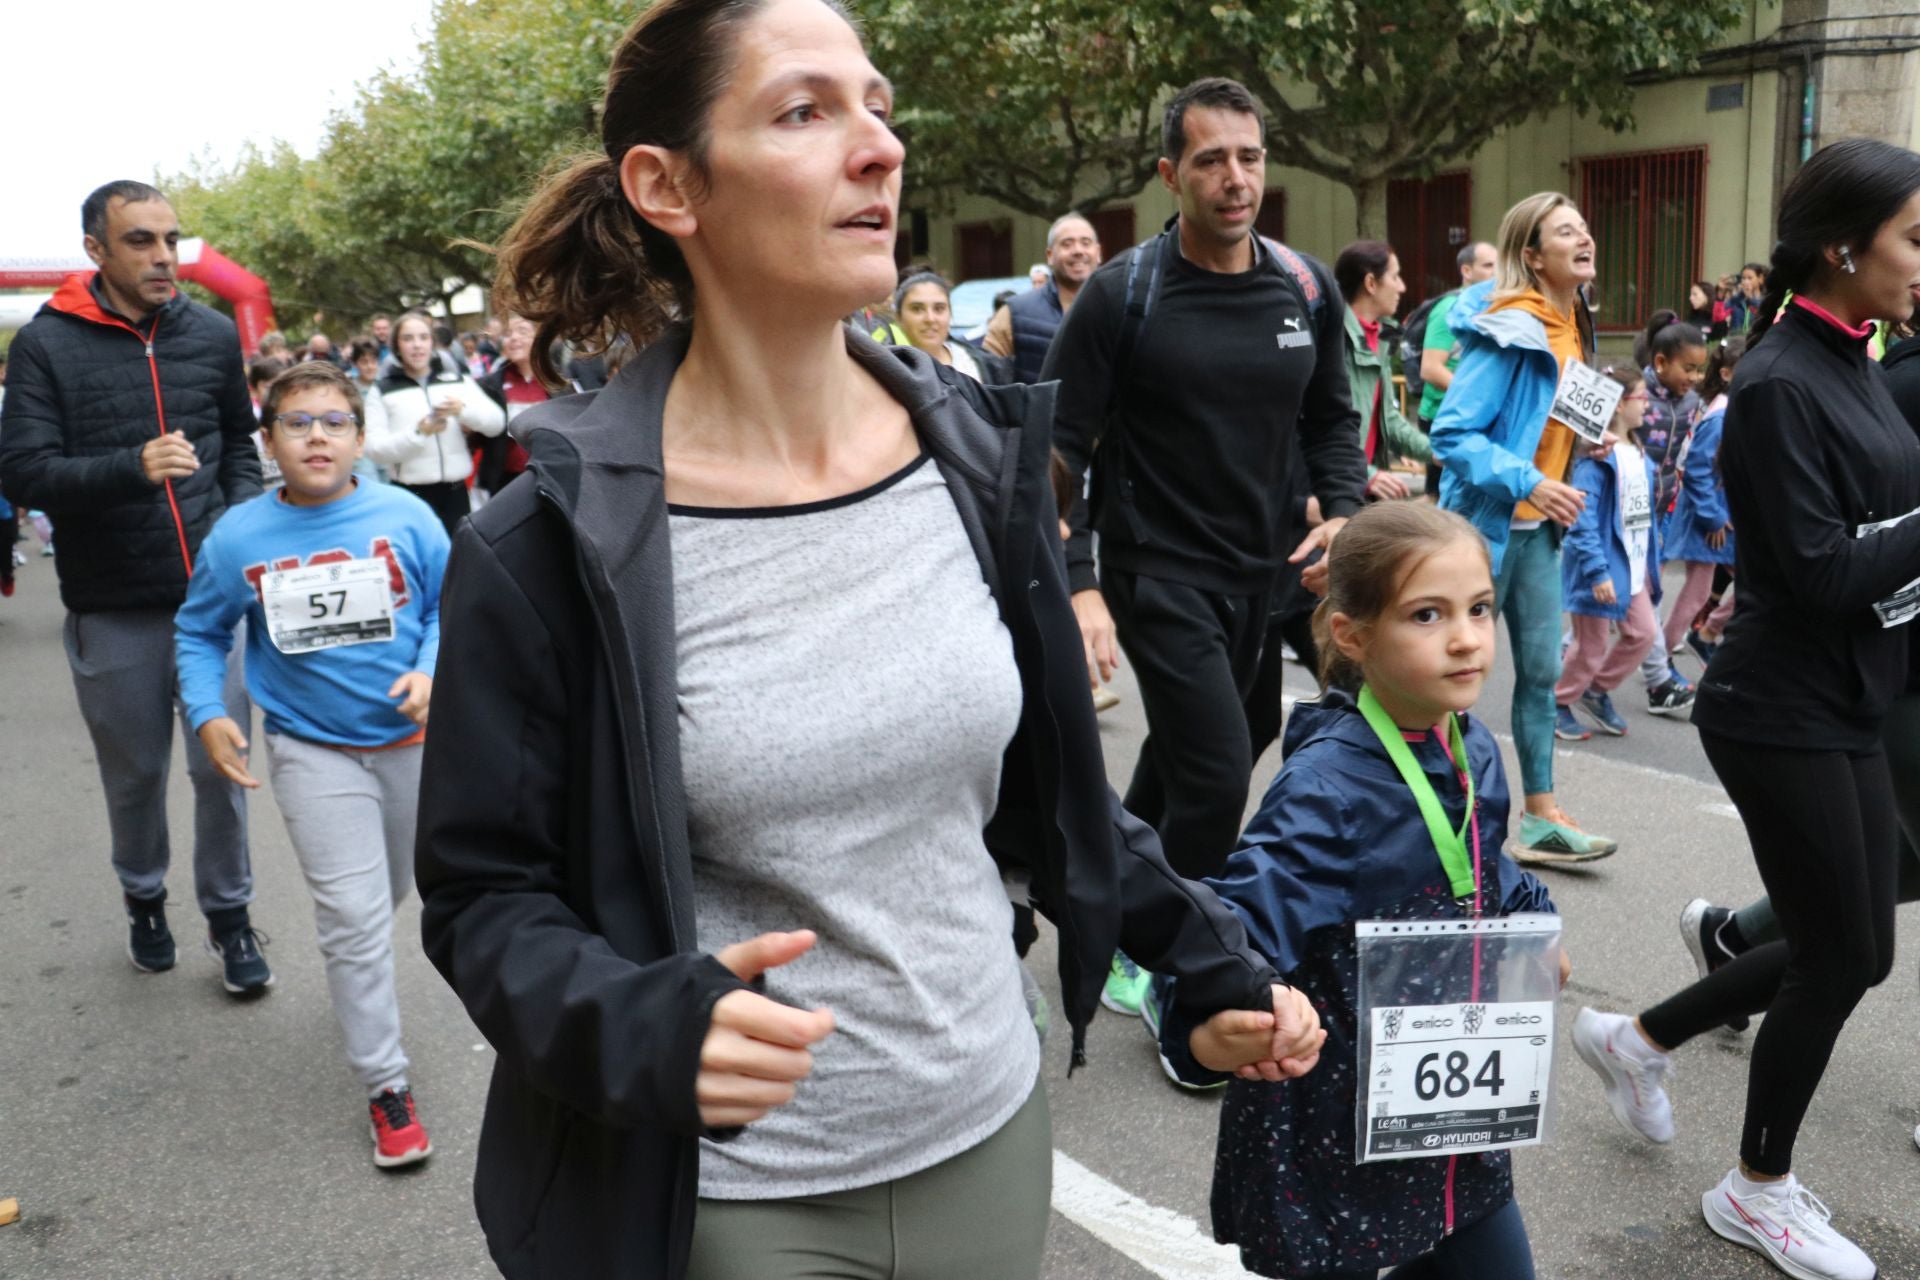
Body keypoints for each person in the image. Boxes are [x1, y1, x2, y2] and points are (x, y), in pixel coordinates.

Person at [412, 3, 1325, 1276]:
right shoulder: (546, 541)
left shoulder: (974, 455)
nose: (879, 147)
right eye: (804, 111)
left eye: (878, 105)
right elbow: (483, 895)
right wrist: (638, 1022)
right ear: (667, 185)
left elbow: (1045, 788)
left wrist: (1208, 959)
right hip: (732, 1192)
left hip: (987, 1136)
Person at [1570, 138, 1920, 1280]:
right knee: (1841, 950)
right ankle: (1755, 1186)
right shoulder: (1775, 381)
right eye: (1913, 237)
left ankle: (1638, 1035)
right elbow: (1819, 572)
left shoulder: (1858, 354)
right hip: (1779, 707)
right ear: (1843, 247)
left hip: (1851, 694)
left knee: (1849, 946)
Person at [1155, 500, 1561, 1279]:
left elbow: (1486, 864)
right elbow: (1232, 929)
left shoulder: (1469, 744)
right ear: (1353, 635)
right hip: (1337, 1131)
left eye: (1479, 608)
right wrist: (1207, 1034)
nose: (1468, 637)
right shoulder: (1326, 790)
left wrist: (1534, 929)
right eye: (1427, 614)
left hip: (1450, 1123)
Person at [1046, 75, 1367, 1016]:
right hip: (1157, 570)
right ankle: (1176, 963)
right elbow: (1059, 451)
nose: (1236, 178)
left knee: (1234, 737)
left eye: (1250, 157)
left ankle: (1102, 891)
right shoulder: (1122, 296)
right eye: (1211, 159)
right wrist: (1078, 580)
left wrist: (1342, 510)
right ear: (1169, 175)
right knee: (1221, 766)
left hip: (1265, 573)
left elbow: (1332, 422)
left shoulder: (1304, 286)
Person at [174, 361, 449, 1169]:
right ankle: (386, 1086)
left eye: (334, 421)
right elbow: (197, 632)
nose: (317, 436)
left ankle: (362, 989)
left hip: (414, 747)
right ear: (269, 442)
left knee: (388, 892)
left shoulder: (407, 517)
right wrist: (211, 711)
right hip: (310, 747)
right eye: (298, 423)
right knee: (354, 920)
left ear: (360, 438)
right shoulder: (239, 539)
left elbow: (450, 606)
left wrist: (433, 667)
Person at [0, 179, 269, 993]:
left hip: (212, 609)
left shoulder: (214, 334)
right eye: (141, 242)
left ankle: (231, 919)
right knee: (137, 774)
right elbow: (23, 471)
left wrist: (240, 528)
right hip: (112, 606)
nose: (163, 258)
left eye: (172, 240)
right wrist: (132, 467)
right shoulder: (45, 345)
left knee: (222, 769)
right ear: (96, 251)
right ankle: (144, 897)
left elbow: (239, 452)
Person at [1429, 192, 1619, 863]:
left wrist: (1581, 445)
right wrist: (1531, 480)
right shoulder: (1509, 326)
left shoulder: (1576, 322)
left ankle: (1540, 820)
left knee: (1540, 672)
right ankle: (1438, 819)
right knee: (1454, 678)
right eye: (1566, 231)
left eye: (1585, 226)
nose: (1584, 236)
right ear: (1532, 255)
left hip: (1541, 534)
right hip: (1482, 531)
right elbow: (1452, 432)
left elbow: (1546, 420)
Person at [1554, 364, 1660, 740]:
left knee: (1644, 634)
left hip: (1632, 568)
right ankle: (1559, 702)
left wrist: (1650, 561)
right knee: (1590, 647)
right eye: (1641, 397)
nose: (1648, 404)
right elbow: (1581, 520)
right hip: (1602, 568)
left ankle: (1595, 692)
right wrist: (1597, 573)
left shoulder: (1640, 452)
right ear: (1617, 404)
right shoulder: (1596, 457)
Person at [1630, 317, 1709, 712]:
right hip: (1623, 513)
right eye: (1688, 368)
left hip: (1660, 512)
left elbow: (1689, 455)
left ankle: (1569, 664)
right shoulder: (1633, 395)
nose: (1695, 377)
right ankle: (1659, 681)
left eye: (1700, 369)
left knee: (1639, 596)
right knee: (1640, 597)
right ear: (1660, 362)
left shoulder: (1694, 404)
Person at [368, 309, 504, 537]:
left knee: (458, 562)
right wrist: (419, 433)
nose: (417, 345)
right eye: (408, 338)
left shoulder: (456, 381)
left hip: (456, 492)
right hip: (411, 493)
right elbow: (375, 450)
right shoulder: (382, 390)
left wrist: (463, 411)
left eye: (423, 337)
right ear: (396, 345)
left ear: (432, 342)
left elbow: (496, 423)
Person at [1659, 336, 1743, 670]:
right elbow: (1696, 469)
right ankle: (1659, 660)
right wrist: (1711, 517)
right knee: (1696, 593)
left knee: (1756, 585)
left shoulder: (1732, 410)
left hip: (1723, 519)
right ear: (1726, 374)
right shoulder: (1720, 417)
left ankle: (1706, 634)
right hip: (1710, 522)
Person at [1334, 239, 1429, 499]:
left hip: (1362, 488)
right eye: (1395, 277)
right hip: (1335, 490)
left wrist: (1436, 451)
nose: (1402, 287)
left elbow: (1388, 419)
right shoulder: (1333, 338)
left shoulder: (1381, 338)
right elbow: (1316, 429)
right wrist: (1365, 473)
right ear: (1371, 284)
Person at [1412, 241, 1498, 495]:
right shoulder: (1450, 308)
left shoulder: (1491, 308)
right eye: (1488, 266)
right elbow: (1430, 369)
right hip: (1443, 417)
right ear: (1466, 271)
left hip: (1473, 417)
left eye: (1499, 266)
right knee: (1439, 500)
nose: (1497, 273)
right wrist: (1478, 396)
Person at [984, 213, 1101, 382]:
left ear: (1098, 252)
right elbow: (988, 384)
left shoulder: (1121, 309)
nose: (1078, 251)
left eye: (1086, 243)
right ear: (1050, 255)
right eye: (1067, 244)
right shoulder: (1013, 314)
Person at [475, 313, 575, 495]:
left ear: (539, 338)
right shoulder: (489, 385)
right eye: (508, 333)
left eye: (522, 331)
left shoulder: (560, 383)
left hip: (550, 479)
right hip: (504, 481)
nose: (513, 338)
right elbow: (478, 437)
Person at [891, 270, 1012, 383]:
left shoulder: (983, 365)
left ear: (950, 314)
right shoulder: (889, 373)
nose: (930, 318)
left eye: (939, 308)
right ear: (898, 317)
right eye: (917, 309)